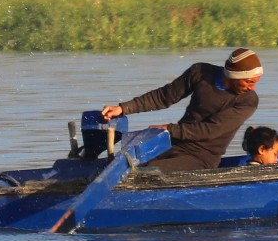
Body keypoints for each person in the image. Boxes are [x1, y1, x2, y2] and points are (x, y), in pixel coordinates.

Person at [102, 48, 264, 174]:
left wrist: (170, 129)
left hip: (201, 156)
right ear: (233, 75)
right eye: (249, 82)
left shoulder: (247, 101)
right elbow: (164, 96)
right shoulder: (200, 72)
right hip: (172, 143)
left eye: (255, 82)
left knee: (149, 170)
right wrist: (123, 108)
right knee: (127, 160)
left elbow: (211, 130)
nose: (252, 88)